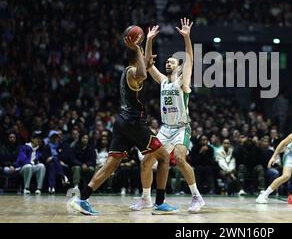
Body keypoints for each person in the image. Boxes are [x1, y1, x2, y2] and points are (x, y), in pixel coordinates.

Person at [69, 26, 177, 215]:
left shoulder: (134, 67)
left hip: (123, 123)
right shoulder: (131, 72)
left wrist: (149, 40)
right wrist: (138, 48)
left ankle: (82, 198)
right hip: (134, 123)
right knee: (164, 157)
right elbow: (144, 73)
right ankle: (160, 203)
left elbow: (149, 63)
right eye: (141, 50)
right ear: (136, 53)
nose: (145, 53)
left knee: (111, 163)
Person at [146, 18, 205, 212]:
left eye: (172, 62)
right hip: (165, 128)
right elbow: (147, 65)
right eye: (167, 62)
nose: (168, 64)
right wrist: (148, 41)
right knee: (146, 160)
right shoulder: (163, 81)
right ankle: (146, 198)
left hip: (181, 128)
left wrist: (187, 38)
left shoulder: (183, 81)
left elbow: (190, 57)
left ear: (179, 67)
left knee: (179, 158)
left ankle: (197, 197)